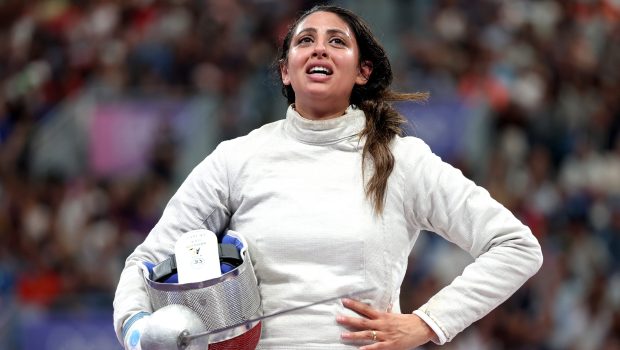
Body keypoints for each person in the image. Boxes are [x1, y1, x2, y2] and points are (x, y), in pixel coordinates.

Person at [113, 5, 543, 349]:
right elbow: (147, 262)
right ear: (286, 70)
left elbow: (516, 246)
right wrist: (136, 330)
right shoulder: (237, 159)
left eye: (337, 41)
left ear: (362, 71)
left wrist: (427, 323)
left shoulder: (402, 160)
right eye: (305, 41)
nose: (320, 49)